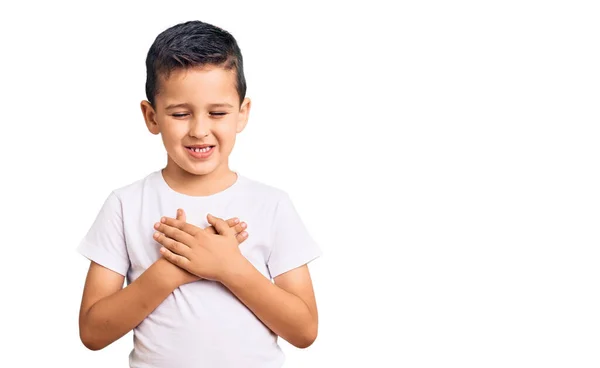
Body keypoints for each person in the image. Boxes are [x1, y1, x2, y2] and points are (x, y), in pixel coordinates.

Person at [76, 20, 321, 368]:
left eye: (218, 113)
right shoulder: (125, 205)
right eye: (180, 113)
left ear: (242, 113)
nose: (200, 130)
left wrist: (229, 267)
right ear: (151, 116)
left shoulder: (273, 205)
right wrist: (174, 269)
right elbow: (92, 332)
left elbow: (305, 330)